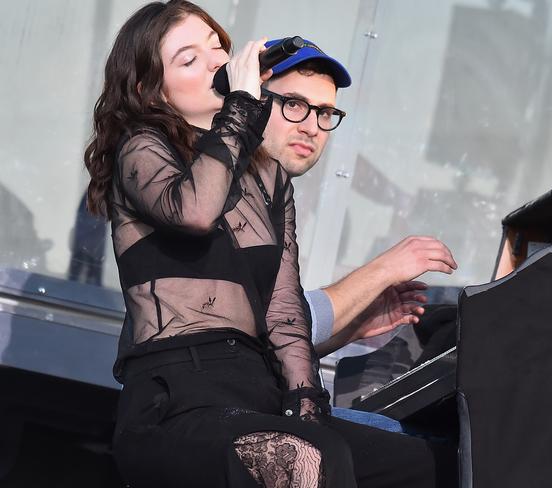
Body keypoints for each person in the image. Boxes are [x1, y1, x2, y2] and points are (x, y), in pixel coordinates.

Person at [84, 1, 451, 487]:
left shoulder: (269, 176)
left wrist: (306, 403)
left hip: (255, 390)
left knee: (436, 468)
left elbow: (282, 308)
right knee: (306, 458)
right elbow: (193, 211)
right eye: (189, 59)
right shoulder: (144, 146)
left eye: (217, 49)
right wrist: (239, 109)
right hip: (179, 397)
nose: (215, 62)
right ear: (149, 89)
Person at [259, 40, 458, 431]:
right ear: (253, 97)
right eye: (294, 104)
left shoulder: (274, 196)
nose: (311, 126)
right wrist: (384, 269)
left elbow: (267, 338)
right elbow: (255, 328)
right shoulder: (225, 191)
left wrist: (352, 325)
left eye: (325, 112)